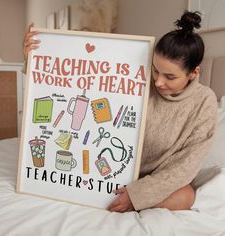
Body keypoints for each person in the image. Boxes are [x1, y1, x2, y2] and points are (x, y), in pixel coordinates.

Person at [22, 11, 218, 213]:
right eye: (155, 70)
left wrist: (137, 195)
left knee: (186, 196)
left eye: (169, 76)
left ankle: (125, 202)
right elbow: (79, 82)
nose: (158, 82)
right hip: (113, 170)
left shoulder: (204, 102)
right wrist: (35, 60)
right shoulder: (139, 79)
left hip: (155, 180)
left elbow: (187, 164)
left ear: (194, 73)